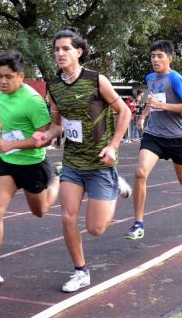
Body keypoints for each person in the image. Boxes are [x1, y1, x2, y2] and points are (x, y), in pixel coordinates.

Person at [32, 28, 132, 293]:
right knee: (66, 217)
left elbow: (124, 112)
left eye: (65, 48)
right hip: (74, 162)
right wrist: (46, 135)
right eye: (56, 49)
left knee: (96, 229)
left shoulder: (97, 80)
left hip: (100, 161)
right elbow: (58, 124)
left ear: (78, 51)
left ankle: (115, 185)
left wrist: (113, 146)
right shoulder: (53, 87)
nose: (60, 53)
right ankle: (80, 271)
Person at [0, 50, 61, 285]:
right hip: (7, 162)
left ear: (21, 76)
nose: (2, 81)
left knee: (40, 211)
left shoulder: (33, 101)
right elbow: (1, 118)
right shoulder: (2, 95)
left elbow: (46, 137)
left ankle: (57, 178)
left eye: (8, 76)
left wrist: (13, 143)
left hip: (32, 164)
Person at [124, 40, 182, 241]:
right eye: (152, 56)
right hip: (154, 136)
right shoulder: (150, 78)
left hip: (177, 138)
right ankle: (138, 224)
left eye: (160, 56)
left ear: (169, 58)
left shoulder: (176, 79)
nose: (155, 59)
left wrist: (163, 105)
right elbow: (152, 101)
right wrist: (143, 116)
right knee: (140, 172)